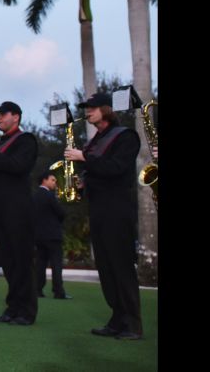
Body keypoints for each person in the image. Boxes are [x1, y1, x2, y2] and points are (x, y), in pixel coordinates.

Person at [66, 92, 143, 340]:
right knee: (106, 267)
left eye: (92, 108)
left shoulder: (125, 137)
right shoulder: (96, 140)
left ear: (106, 110)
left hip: (118, 209)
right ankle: (117, 319)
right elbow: (98, 170)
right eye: (86, 108)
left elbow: (117, 168)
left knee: (121, 266)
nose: (87, 112)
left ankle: (132, 324)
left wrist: (84, 157)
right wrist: (82, 183)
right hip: (99, 210)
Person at [0, 101, 38, 326]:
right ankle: (13, 308)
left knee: (22, 258)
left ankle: (27, 311)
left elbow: (19, 166)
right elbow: (3, 169)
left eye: (3, 114)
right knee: (8, 260)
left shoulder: (25, 140)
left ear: (16, 117)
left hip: (18, 207)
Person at [33, 172, 71, 300]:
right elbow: (61, 212)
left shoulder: (34, 195)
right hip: (53, 235)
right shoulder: (49, 195)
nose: (55, 182)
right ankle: (58, 291)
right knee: (56, 263)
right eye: (53, 180)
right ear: (44, 180)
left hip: (38, 235)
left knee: (40, 263)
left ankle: (37, 289)